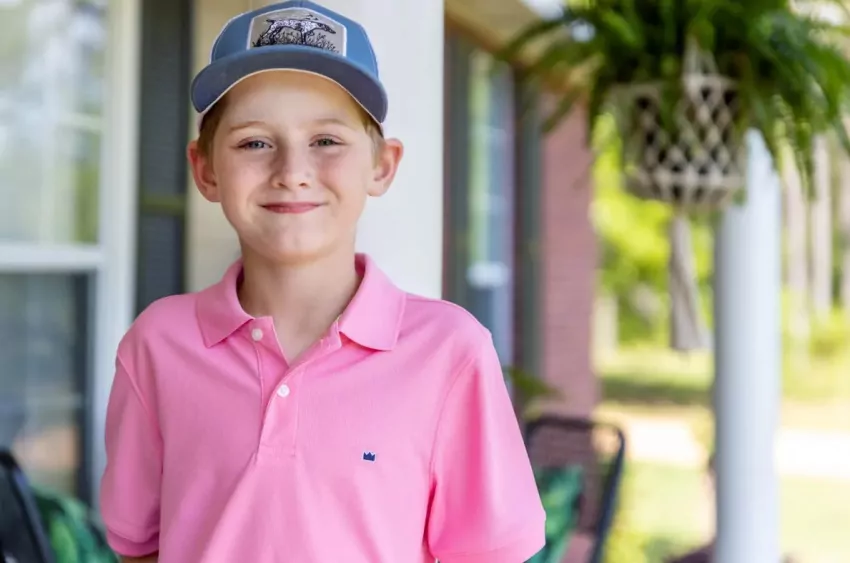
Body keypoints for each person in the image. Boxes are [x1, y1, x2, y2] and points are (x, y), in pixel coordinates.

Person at [98, 2, 546, 562]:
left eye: (326, 141)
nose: (292, 172)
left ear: (382, 165)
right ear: (206, 169)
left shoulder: (449, 352)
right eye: (254, 142)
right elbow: (139, 548)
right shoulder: (158, 344)